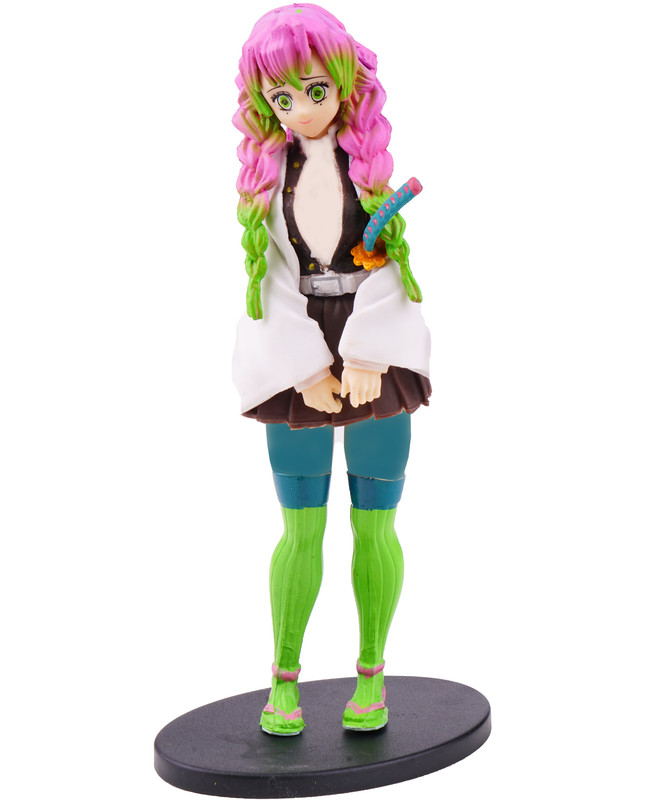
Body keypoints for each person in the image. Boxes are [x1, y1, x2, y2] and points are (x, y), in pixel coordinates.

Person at [232, 3, 431, 735]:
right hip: (298, 359)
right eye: (283, 98)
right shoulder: (266, 182)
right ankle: (283, 680)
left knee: (375, 526)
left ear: (345, 82)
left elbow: (392, 265)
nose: (303, 109)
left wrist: (371, 348)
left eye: (316, 90)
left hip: (377, 354)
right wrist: (303, 365)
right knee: (300, 529)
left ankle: (371, 675)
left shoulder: (371, 170)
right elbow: (269, 281)